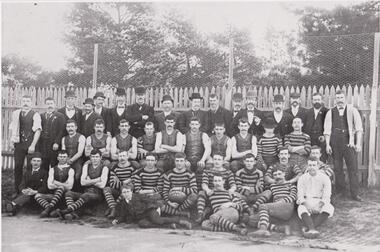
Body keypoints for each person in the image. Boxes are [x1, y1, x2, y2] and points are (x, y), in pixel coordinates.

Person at [324, 90, 363, 201]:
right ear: (335, 99)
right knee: (338, 168)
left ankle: (354, 193)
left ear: (345, 98)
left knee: (353, 168)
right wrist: (327, 145)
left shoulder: (352, 110)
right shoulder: (330, 112)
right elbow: (327, 130)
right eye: (338, 98)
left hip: (349, 143)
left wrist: (358, 143)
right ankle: (341, 192)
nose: (340, 100)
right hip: (336, 143)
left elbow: (359, 128)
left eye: (341, 97)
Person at [111, 184, 192, 230]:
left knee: (157, 220)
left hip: (149, 211)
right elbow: (122, 215)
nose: (126, 194)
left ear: (131, 191)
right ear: (122, 194)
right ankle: (169, 225)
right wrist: (117, 220)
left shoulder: (138, 196)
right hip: (141, 217)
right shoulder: (123, 203)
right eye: (124, 192)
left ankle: (181, 222)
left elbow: (150, 200)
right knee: (143, 224)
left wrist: (157, 207)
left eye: (128, 191)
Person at [57, 149, 109, 220]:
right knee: (69, 193)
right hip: (86, 193)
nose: (95, 159)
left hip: (97, 195)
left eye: (97, 157)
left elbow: (102, 185)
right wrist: (97, 180)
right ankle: (72, 213)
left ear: (100, 158)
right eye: (93, 157)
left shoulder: (104, 167)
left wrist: (88, 180)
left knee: (85, 195)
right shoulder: (86, 166)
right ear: (90, 157)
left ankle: (67, 211)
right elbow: (82, 182)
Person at [9, 95, 42, 196]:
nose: (25, 103)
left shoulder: (35, 115)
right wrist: (11, 141)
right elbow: (12, 127)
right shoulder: (16, 114)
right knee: (18, 166)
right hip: (19, 144)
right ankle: (18, 190)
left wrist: (32, 145)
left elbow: (38, 131)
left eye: (28, 101)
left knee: (30, 168)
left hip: (30, 144)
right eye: (23, 101)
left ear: (31, 103)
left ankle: (28, 191)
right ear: (21, 102)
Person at [251, 167, 295, 237]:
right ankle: (280, 228)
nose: (277, 176)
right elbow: (264, 193)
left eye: (279, 174)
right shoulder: (272, 186)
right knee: (251, 220)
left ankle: (263, 230)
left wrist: (280, 202)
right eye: (275, 175)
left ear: (284, 174)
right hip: (276, 210)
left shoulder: (290, 184)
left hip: (286, 207)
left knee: (263, 206)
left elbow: (293, 197)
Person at [297, 157, 334, 239]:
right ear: (307, 166)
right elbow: (300, 195)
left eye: (314, 165)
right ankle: (312, 229)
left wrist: (319, 205)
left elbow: (327, 195)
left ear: (317, 166)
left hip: (319, 201)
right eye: (310, 165)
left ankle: (309, 227)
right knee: (301, 208)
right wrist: (307, 205)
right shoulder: (302, 178)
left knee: (329, 208)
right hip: (307, 201)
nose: (312, 167)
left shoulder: (325, 178)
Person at [196, 153, 236, 224]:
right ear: (212, 161)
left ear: (223, 161)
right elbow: (204, 184)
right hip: (211, 193)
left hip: (223, 195)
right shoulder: (207, 171)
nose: (217, 161)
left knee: (235, 195)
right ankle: (200, 214)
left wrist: (231, 189)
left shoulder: (228, 172)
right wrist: (207, 190)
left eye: (219, 160)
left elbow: (233, 185)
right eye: (215, 159)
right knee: (201, 193)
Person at [35, 151, 75, 218]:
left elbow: (70, 186)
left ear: (67, 158)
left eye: (64, 157)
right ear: (57, 158)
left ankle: (48, 210)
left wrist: (56, 182)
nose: (62, 158)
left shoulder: (71, 170)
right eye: (60, 157)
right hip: (54, 196)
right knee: (37, 195)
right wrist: (64, 184)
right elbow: (50, 186)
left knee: (61, 188)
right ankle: (53, 210)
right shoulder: (52, 169)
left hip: (65, 196)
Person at [161, 153, 198, 217]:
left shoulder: (190, 174)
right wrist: (170, 203)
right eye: (177, 161)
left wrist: (179, 189)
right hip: (172, 198)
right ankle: (181, 213)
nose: (179, 163)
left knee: (194, 196)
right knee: (160, 205)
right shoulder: (168, 174)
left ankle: (177, 212)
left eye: (181, 161)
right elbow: (165, 191)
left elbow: (194, 190)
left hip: (185, 200)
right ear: (174, 162)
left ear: (185, 161)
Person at [103, 150, 135, 219]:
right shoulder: (114, 168)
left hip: (128, 191)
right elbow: (112, 184)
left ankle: (113, 210)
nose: (122, 158)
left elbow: (134, 181)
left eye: (124, 156)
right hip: (117, 190)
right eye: (120, 156)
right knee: (106, 189)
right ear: (117, 157)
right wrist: (124, 182)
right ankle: (113, 208)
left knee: (127, 188)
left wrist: (119, 182)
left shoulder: (132, 167)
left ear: (127, 157)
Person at [39, 97, 65, 171]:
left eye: (51, 103)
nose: (49, 105)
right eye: (47, 104)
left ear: (54, 105)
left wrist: (57, 142)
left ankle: (53, 181)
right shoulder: (41, 116)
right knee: (44, 164)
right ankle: (45, 181)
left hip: (54, 144)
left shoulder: (60, 116)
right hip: (44, 144)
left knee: (54, 163)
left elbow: (61, 130)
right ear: (45, 105)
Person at [183, 117, 211, 187]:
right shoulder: (184, 135)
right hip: (189, 159)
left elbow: (207, 149)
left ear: (199, 125)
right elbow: (182, 150)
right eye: (192, 124)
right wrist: (185, 160)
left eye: (196, 124)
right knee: (186, 167)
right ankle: (188, 187)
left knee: (201, 166)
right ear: (189, 125)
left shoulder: (204, 135)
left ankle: (199, 187)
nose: (194, 126)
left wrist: (202, 160)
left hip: (199, 159)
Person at [303, 92, 329, 162]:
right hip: (310, 140)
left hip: (322, 140)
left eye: (318, 99)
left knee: (322, 160)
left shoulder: (327, 112)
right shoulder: (308, 112)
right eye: (315, 100)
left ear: (322, 101)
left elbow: (330, 127)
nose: (316, 101)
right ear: (312, 101)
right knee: (310, 160)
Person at [61, 119, 86, 191]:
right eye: (68, 127)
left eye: (72, 126)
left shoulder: (81, 137)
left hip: (78, 160)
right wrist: (66, 161)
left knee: (77, 175)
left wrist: (71, 160)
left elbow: (80, 153)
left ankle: (76, 192)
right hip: (66, 160)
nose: (70, 128)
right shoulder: (64, 138)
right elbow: (63, 152)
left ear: (76, 127)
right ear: (66, 128)